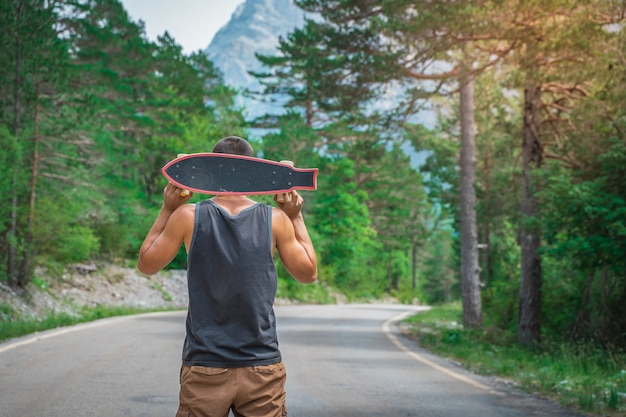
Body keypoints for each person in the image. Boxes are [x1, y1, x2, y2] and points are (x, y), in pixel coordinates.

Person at [137, 136, 318, 417]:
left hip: (205, 364)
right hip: (261, 365)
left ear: (211, 170)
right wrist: (294, 216)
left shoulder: (187, 216)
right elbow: (308, 273)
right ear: (251, 170)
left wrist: (168, 207)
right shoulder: (276, 220)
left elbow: (147, 264)